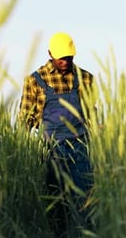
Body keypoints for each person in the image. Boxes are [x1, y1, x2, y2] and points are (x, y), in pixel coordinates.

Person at [19, 32, 95, 237]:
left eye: (69, 58)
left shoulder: (85, 78)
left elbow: (91, 115)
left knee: (85, 199)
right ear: (50, 54)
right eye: (61, 58)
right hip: (51, 149)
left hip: (81, 147)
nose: (65, 62)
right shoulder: (35, 81)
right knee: (56, 202)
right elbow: (25, 119)